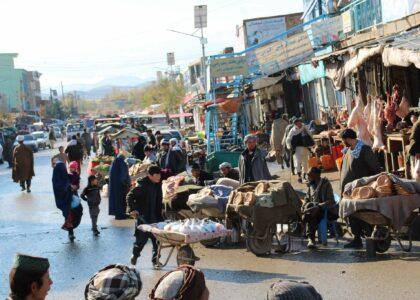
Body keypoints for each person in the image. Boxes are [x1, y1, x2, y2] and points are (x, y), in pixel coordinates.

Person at [340, 128, 382, 249]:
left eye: (344, 140)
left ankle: (372, 239)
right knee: (353, 214)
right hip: (351, 192)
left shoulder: (365, 150)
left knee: (365, 214)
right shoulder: (348, 151)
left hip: (364, 191)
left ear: (349, 139)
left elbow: (375, 170)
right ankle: (357, 239)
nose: (344, 143)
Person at [127, 165, 163, 266]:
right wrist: (133, 209)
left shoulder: (157, 184)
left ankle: (155, 260)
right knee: (141, 241)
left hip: (155, 217)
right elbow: (129, 196)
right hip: (144, 218)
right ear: (150, 175)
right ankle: (135, 255)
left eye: (159, 174)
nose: (159, 176)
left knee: (157, 241)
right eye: (157, 175)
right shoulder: (141, 185)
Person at [302, 167, 336, 249]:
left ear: (316, 175)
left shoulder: (326, 184)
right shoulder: (311, 185)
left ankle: (311, 239)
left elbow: (331, 201)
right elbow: (307, 198)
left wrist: (319, 206)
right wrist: (304, 205)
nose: (308, 176)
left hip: (325, 210)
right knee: (310, 208)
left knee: (311, 212)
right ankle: (311, 239)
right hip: (313, 209)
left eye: (309, 174)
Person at [52, 161, 83, 241]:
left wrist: (75, 186)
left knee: (76, 212)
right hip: (65, 201)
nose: (65, 170)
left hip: (72, 198)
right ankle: (71, 233)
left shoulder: (66, 176)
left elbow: (76, 182)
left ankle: (71, 231)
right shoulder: (57, 179)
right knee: (68, 216)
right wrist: (69, 187)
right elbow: (60, 188)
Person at [286, 118, 313, 183]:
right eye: (296, 123)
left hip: (305, 147)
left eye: (299, 122)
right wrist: (289, 146)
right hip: (297, 149)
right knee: (298, 163)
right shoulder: (293, 130)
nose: (298, 124)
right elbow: (288, 139)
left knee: (305, 163)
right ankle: (299, 177)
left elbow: (310, 135)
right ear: (295, 124)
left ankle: (304, 176)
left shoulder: (304, 127)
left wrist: (312, 144)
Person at [108, 154, 130, 220]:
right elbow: (123, 175)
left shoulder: (114, 163)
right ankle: (121, 214)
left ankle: (117, 214)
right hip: (120, 185)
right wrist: (126, 183)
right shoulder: (122, 162)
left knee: (115, 199)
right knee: (120, 199)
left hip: (114, 185)